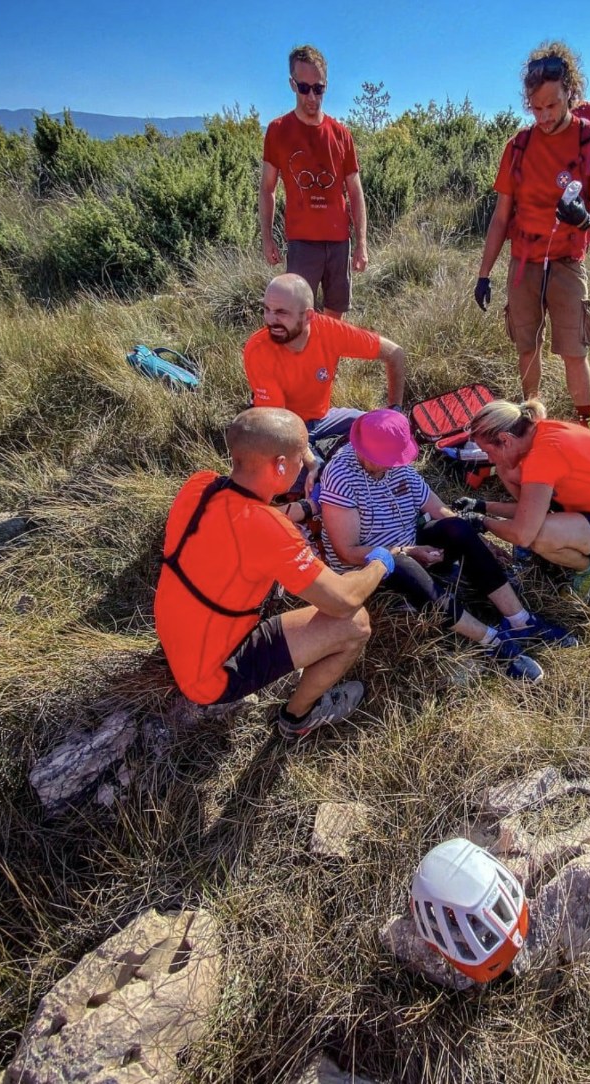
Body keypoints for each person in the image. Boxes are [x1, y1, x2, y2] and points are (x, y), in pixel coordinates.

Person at [154, 407, 395, 741]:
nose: (305, 463)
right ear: (280, 465)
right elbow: (343, 601)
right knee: (355, 624)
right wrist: (381, 561)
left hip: (176, 634)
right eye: (302, 456)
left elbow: (244, 518)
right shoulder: (269, 531)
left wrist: (310, 507)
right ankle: (298, 718)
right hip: (210, 675)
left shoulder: (200, 485)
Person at [318, 409, 580, 683]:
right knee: (399, 564)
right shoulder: (342, 477)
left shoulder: (395, 463)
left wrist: (480, 543)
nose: (394, 466)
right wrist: (407, 552)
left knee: (457, 526)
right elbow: (347, 551)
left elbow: (438, 509)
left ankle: (520, 620)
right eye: (387, 461)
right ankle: (491, 642)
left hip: (411, 543)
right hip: (372, 565)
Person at [474, 42, 590, 427]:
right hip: (524, 262)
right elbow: (501, 218)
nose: (544, 116)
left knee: (574, 350)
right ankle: (531, 420)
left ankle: (586, 425)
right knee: (526, 347)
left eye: (552, 105)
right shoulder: (518, 146)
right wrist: (484, 274)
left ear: (569, 91)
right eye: (536, 108)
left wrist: (586, 219)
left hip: (567, 261)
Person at [455, 399, 590, 601]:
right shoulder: (538, 433)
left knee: (538, 536)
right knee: (506, 469)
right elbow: (529, 508)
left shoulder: (543, 456)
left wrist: (482, 522)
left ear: (505, 439)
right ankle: (560, 534)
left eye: (488, 452)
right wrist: (482, 506)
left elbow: (523, 535)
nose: (490, 459)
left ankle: (587, 571)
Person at [244, 273, 406, 493]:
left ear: (309, 315)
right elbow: (281, 426)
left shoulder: (329, 331)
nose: (271, 320)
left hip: (322, 418)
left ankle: (332, 466)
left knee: (373, 431)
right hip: (281, 428)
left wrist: (395, 411)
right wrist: (312, 462)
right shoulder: (258, 350)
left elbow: (395, 353)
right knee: (291, 477)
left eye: (281, 313)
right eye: (267, 310)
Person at [259, 44, 368, 318]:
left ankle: (327, 363)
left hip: (338, 242)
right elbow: (267, 189)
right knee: (295, 316)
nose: (311, 96)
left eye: (318, 88)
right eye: (304, 88)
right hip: (301, 243)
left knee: (334, 318)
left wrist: (361, 244)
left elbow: (355, 192)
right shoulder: (277, 131)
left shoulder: (341, 134)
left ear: (326, 86)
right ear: (292, 84)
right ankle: (302, 363)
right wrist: (267, 237)